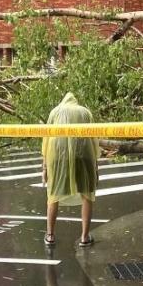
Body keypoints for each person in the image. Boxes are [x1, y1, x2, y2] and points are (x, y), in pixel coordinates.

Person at [41, 93, 99, 247]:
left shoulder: (55, 112)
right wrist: (95, 165)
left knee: (53, 194)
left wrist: (45, 167)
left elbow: (47, 139)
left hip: (59, 157)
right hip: (84, 157)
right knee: (87, 194)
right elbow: (93, 139)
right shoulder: (85, 112)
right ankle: (85, 237)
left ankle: (50, 235)